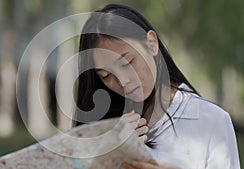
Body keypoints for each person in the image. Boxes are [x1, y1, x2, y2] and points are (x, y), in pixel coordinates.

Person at [72, 3, 240, 169]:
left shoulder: (210, 120)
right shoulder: (103, 129)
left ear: (152, 43)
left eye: (127, 63)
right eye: (106, 76)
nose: (123, 81)